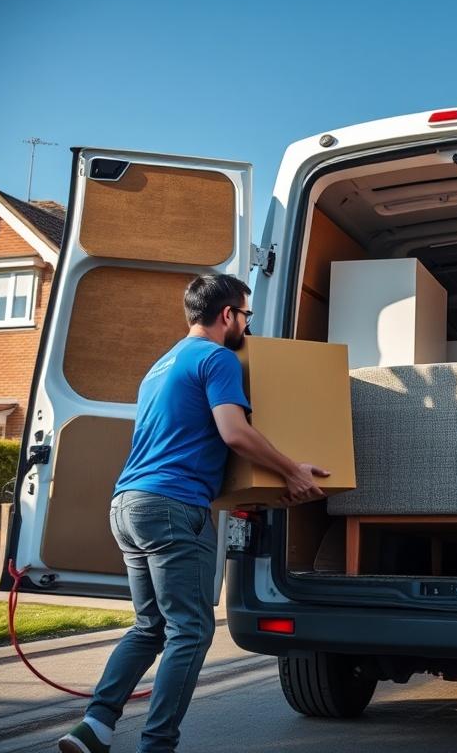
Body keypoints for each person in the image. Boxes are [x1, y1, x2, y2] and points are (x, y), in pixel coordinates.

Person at [59, 274, 329, 753]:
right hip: (170, 508)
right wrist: (291, 472)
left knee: (150, 627)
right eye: (246, 315)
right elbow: (235, 433)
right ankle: (157, 744)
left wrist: (262, 487)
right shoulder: (217, 357)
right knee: (192, 629)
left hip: (127, 504)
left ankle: (95, 726)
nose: (247, 323)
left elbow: (187, 441)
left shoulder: (160, 366)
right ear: (228, 315)